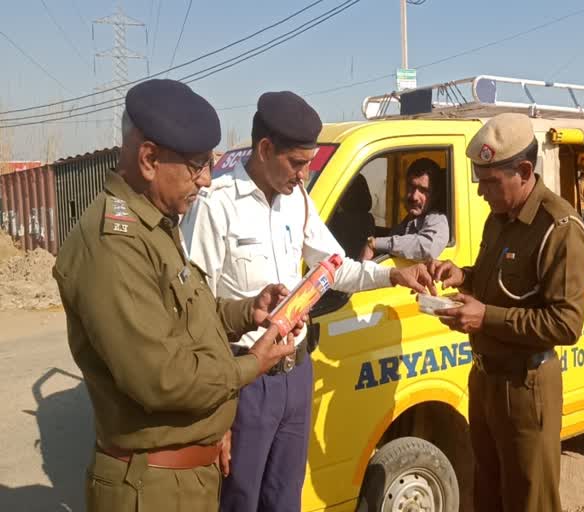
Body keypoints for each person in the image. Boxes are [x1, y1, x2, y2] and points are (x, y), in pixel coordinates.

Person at [52, 79, 301, 512]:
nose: (206, 180)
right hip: (152, 489)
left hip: (182, 479)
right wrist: (252, 364)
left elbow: (190, 317)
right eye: (196, 166)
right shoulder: (114, 243)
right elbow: (163, 378)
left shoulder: (157, 225)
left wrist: (248, 312)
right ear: (149, 159)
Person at [180, 90, 434, 512]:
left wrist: (393, 274)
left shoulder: (296, 202)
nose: (303, 176)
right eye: (297, 164)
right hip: (245, 380)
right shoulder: (216, 205)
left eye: (308, 166)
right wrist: (214, 413)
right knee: (239, 499)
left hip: (296, 375)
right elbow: (193, 310)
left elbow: (336, 267)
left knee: (285, 496)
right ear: (264, 149)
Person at [427, 113, 584, 512]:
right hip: (485, 381)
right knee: (488, 495)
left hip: (526, 388)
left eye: (489, 182)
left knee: (528, 500)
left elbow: (567, 324)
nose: (481, 193)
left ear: (524, 170)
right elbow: (498, 282)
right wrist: (463, 276)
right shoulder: (499, 218)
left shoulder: (559, 227)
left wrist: (486, 318)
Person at [361, 157, 449, 261]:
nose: (414, 197)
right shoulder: (408, 222)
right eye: (411, 186)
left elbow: (428, 247)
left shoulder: (437, 219)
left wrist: (375, 243)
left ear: (435, 194)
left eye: (423, 190)